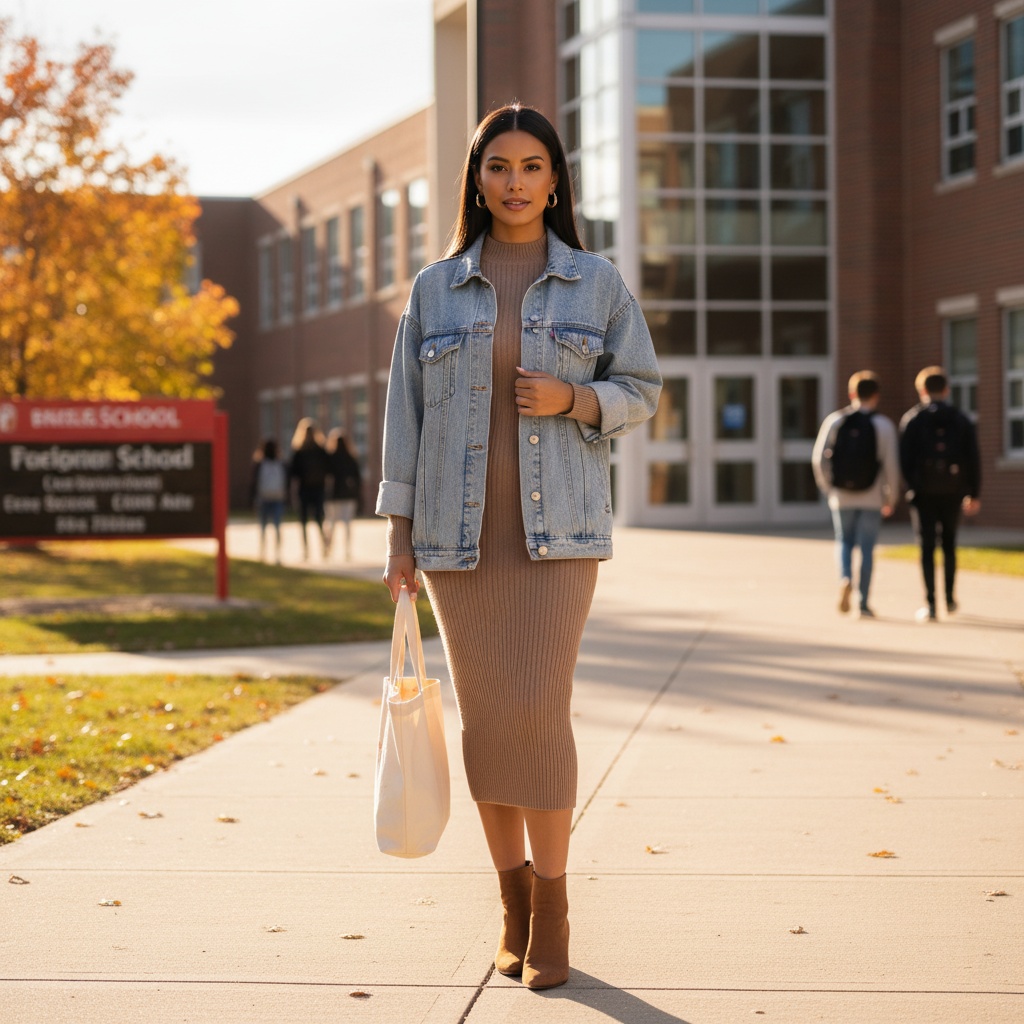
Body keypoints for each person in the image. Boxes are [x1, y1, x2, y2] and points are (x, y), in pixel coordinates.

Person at [376, 103, 661, 991]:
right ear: (476, 178)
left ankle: (556, 908)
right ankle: (512, 904)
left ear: (555, 180)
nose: (514, 183)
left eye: (532, 166)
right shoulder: (433, 290)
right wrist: (398, 538)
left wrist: (575, 402)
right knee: (490, 721)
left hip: (558, 541)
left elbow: (642, 388)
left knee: (539, 710)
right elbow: (404, 421)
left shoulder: (596, 284)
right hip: (457, 546)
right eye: (498, 166)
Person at [811, 371, 900, 618]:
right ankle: (863, 602)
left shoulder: (835, 421)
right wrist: (890, 497)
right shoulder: (883, 425)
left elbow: (819, 459)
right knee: (867, 548)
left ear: (852, 394)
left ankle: (845, 578)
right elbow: (891, 466)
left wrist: (829, 487)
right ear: (876, 396)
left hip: (842, 495)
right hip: (872, 496)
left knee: (844, 541)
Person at [899, 366, 981, 622]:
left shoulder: (913, 420)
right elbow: (973, 458)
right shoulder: (960, 419)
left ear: (922, 390)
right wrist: (974, 493)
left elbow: (904, 460)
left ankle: (931, 604)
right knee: (949, 545)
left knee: (926, 547)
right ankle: (950, 598)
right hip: (953, 492)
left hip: (923, 494)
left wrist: (913, 486)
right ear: (946, 390)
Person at [287, 417, 330, 560]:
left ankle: (306, 550)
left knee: (303, 521)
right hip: (318, 489)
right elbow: (329, 470)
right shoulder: (321, 450)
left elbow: (292, 473)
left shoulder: (299, 451)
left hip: (304, 489)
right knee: (319, 519)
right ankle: (324, 546)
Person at [323, 427, 362, 561]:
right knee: (347, 525)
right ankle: (347, 550)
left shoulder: (329, 458)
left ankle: (329, 549)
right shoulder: (351, 458)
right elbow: (357, 479)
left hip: (333, 496)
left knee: (331, 524)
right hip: (348, 495)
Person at [249, 437, 287, 564]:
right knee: (276, 526)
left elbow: (254, 483)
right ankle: (277, 554)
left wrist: (252, 499)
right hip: (276, 498)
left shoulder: (259, 464)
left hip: (264, 498)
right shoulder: (281, 463)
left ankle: (263, 552)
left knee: (263, 527)